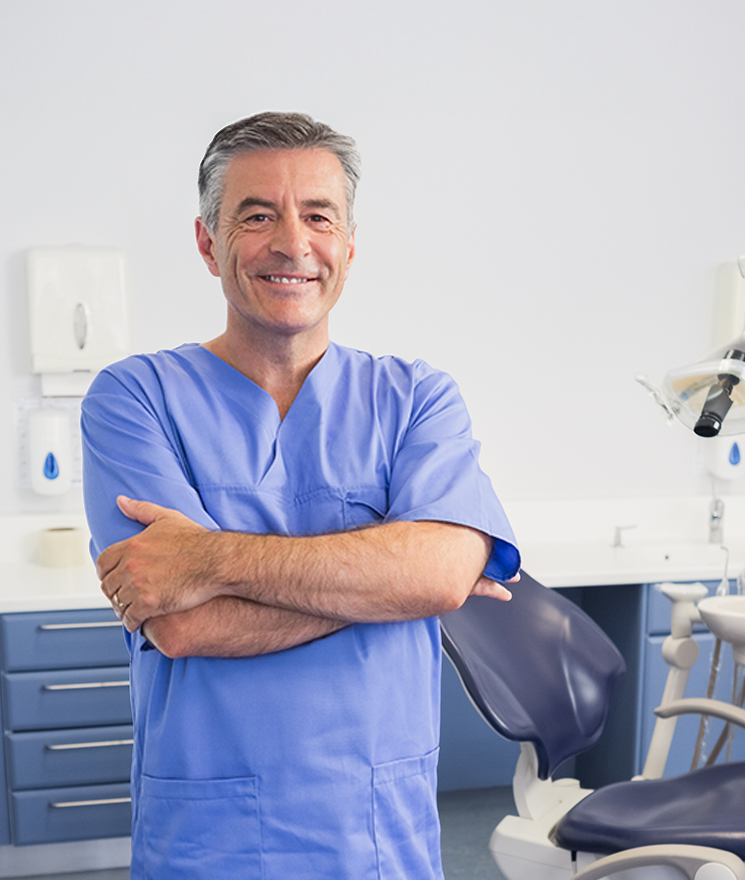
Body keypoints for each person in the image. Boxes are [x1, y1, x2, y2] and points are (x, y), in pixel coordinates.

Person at [80, 112, 520, 880]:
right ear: (207, 242)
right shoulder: (135, 399)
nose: (293, 242)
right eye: (257, 216)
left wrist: (208, 556)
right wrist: (392, 578)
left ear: (349, 245)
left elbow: (442, 575)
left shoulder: (415, 398)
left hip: (377, 834)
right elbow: (182, 626)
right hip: (209, 841)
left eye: (319, 216)